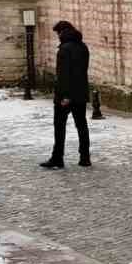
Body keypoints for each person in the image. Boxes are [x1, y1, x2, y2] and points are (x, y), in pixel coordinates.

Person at [41, 20, 91, 168]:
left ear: (61, 33)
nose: (57, 36)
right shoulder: (83, 47)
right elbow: (81, 72)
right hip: (81, 93)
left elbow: (64, 75)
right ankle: (85, 157)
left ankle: (57, 158)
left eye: (57, 33)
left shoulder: (64, 50)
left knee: (59, 127)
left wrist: (65, 96)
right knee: (81, 125)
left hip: (66, 96)